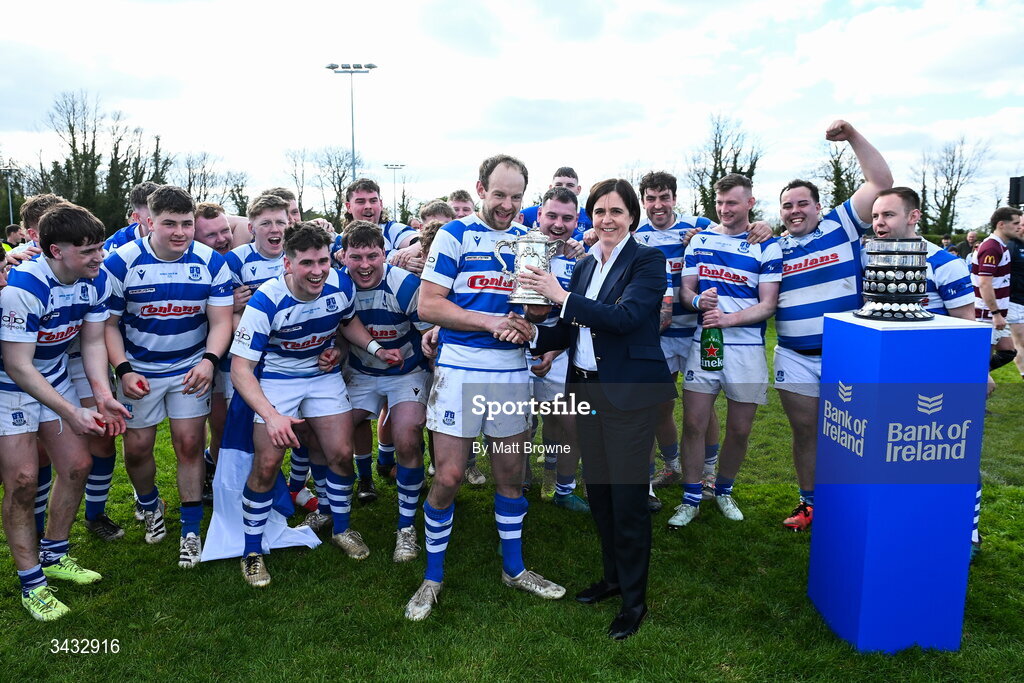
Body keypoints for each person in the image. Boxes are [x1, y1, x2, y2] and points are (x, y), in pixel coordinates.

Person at [405, 153, 565, 621]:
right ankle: (432, 577)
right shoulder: (455, 235)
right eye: (499, 195)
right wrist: (490, 321)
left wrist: (528, 317)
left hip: (511, 373)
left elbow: (538, 312)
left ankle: (513, 569)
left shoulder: (529, 240)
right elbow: (429, 306)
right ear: (480, 189)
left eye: (516, 197)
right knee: (450, 477)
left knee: (510, 476)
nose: (507, 205)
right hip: (458, 369)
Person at [516, 177, 675, 640]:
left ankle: (634, 601)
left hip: (627, 393)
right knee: (600, 489)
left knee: (627, 499)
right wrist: (531, 335)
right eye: (600, 211)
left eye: (617, 211)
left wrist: (559, 295)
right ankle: (612, 578)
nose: (607, 219)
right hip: (585, 388)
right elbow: (570, 328)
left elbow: (625, 319)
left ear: (632, 217)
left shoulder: (647, 259)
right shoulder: (586, 265)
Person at [230, 223, 401, 586]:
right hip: (277, 379)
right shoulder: (266, 301)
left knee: (340, 453)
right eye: (307, 263)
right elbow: (240, 369)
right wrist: (271, 416)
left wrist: (372, 348)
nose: (318, 270)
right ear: (288, 264)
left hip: (322, 377)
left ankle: (341, 528)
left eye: (323, 260)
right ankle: (251, 551)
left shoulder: (341, 284)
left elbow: (347, 322)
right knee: (267, 462)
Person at [0, 203, 129, 621]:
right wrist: (70, 412)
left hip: (52, 378)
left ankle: (55, 554)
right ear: (56, 251)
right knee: (21, 481)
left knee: (77, 466)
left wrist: (100, 393)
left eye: (101, 247)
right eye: (88, 250)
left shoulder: (94, 281)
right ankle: (31, 583)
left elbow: (92, 343)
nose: (99, 257)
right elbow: (18, 366)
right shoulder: (23, 288)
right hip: (9, 389)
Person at [103, 185, 233, 569]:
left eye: (187, 223)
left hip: (190, 368)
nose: (180, 232)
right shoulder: (121, 262)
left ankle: (191, 531)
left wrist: (209, 361)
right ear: (147, 222)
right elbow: (108, 326)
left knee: (190, 445)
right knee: (139, 448)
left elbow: (221, 320)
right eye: (169, 223)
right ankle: (148, 502)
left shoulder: (211, 262)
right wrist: (123, 370)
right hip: (139, 371)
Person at [772, 120, 893, 531]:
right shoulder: (772, 245)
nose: (795, 211)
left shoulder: (841, 223)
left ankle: (856, 505)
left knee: (856, 433)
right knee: (806, 432)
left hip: (848, 352)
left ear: (818, 206)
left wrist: (853, 136)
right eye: (787, 205)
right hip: (794, 355)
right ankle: (810, 504)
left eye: (802, 203)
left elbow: (880, 181)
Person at [670, 174, 782, 528]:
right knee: (693, 424)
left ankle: (723, 490)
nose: (724, 209)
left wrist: (728, 319)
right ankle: (690, 498)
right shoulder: (700, 240)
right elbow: (685, 291)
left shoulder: (767, 245)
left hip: (747, 348)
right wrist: (698, 299)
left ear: (750, 203)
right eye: (719, 203)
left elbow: (768, 305)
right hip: (704, 344)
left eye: (732, 203)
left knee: (739, 430)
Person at [338, 221, 432, 561]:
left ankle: (406, 527)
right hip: (362, 372)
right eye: (356, 257)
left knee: (406, 433)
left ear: (385, 255)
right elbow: (333, 327)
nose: (365, 265)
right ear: (343, 257)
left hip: (406, 371)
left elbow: (430, 333)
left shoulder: (405, 284)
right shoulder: (338, 284)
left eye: (372, 256)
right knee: (332, 433)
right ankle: (335, 512)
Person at [634, 171, 720, 507]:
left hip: (698, 331)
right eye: (651, 199)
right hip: (659, 335)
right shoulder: (636, 234)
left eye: (664, 197)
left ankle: (709, 473)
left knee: (704, 407)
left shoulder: (700, 226)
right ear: (643, 202)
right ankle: (671, 466)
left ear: (674, 197)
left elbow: (734, 234)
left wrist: (759, 228)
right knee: (659, 405)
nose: (658, 205)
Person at [525, 186, 588, 512]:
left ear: (577, 220)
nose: (558, 224)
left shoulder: (583, 263)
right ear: (539, 216)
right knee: (519, 422)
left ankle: (563, 487)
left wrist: (553, 352)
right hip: (516, 350)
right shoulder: (518, 248)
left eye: (566, 218)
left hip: (560, 353)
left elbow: (580, 314)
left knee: (567, 420)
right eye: (551, 216)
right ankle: (520, 482)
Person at [518, 166, 592, 234]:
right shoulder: (527, 214)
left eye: (570, 185)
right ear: (550, 188)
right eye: (558, 185)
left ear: (578, 190)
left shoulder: (589, 217)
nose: (564, 188)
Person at [1007, 216, 1024, 381]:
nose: (1020, 227)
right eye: (1019, 224)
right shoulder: (1011, 246)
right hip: (1014, 301)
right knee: (1020, 342)